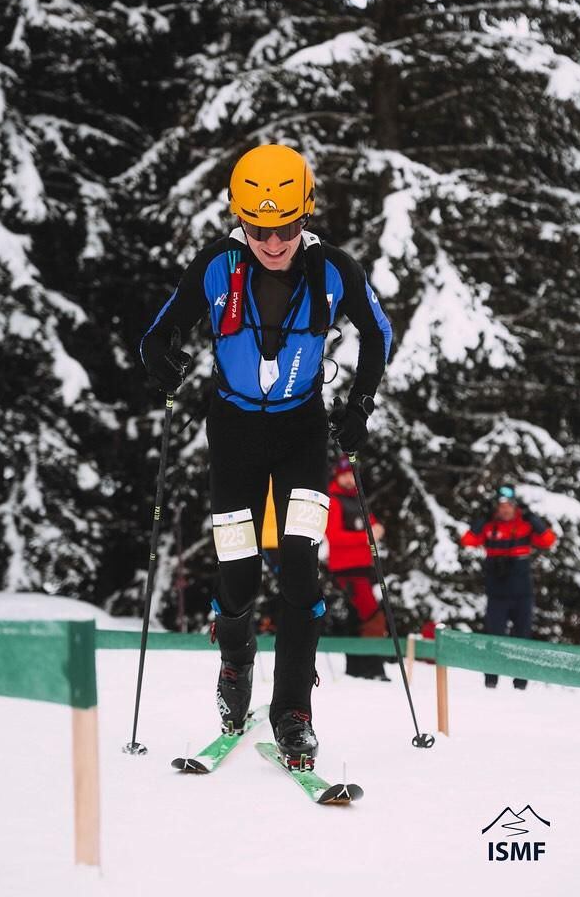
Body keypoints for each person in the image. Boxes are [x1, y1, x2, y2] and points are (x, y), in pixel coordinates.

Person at [139, 144, 392, 766]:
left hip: (302, 431)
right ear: (240, 219)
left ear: (306, 214)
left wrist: (360, 404)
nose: (273, 242)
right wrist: (160, 359)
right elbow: (159, 330)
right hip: (233, 433)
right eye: (258, 229)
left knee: (301, 564)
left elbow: (378, 332)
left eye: (285, 227)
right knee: (239, 569)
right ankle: (235, 663)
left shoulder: (333, 269)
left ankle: (293, 711)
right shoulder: (217, 266)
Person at [460, 483, 556, 690]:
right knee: (493, 636)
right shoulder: (489, 525)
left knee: (522, 637)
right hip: (497, 593)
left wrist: (534, 519)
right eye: (501, 506)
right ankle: (491, 680)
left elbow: (548, 540)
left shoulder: (525, 524)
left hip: (522, 593)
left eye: (508, 506)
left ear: (515, 507)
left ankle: (520, 681)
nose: (505, 510)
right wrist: (481, 519)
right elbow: (467, 541)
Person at [326, 454, 389, 681]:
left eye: (351, 475)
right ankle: (372, 667)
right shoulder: (333, 501)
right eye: (345, 475)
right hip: (346, 569)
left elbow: (372, 524)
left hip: (363, 567)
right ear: (337, 475)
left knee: (359, 618)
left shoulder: (358, 499)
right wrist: (365, 537)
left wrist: (377, 529)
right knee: (371, 616)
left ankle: (359, 667)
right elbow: (333, 536)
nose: (349, 480)